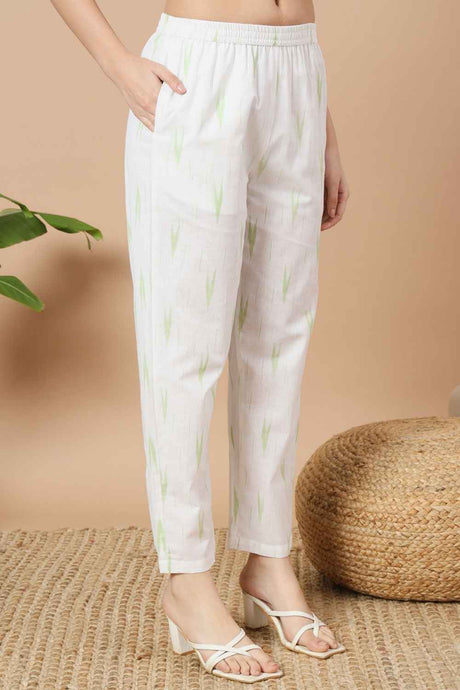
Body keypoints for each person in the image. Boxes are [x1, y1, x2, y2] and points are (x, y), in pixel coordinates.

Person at [50, 0, 350, 682]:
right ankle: (186, 580)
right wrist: (118, 63)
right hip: (200, 72)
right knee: (185, 346)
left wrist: (322, 124)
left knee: (280, 336)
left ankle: (269, 560)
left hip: (297, 71)